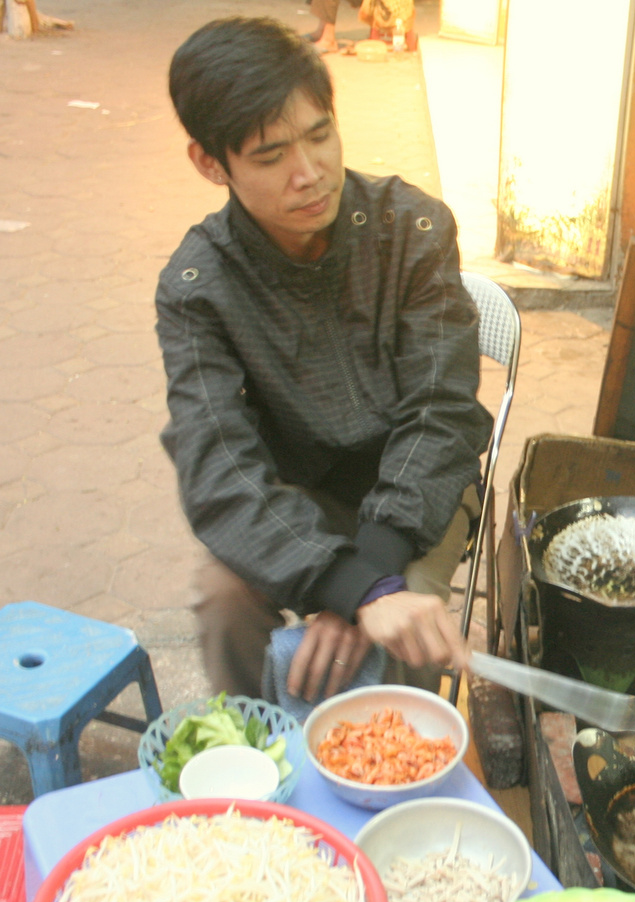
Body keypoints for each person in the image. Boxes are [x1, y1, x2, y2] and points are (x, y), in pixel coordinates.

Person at [157, 17, 491, 703]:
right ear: (210, 163)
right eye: (270, 154)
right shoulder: (199, 287)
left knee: (405, 640)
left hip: (418, 496)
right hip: (296, 501)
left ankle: (393, 801)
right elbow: (217, 465)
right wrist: (348, 585)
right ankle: (255, 770)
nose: (309, 174)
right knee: (221, 600)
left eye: (320, 135)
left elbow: (440, 414)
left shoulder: (413, 229)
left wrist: (372, 579)